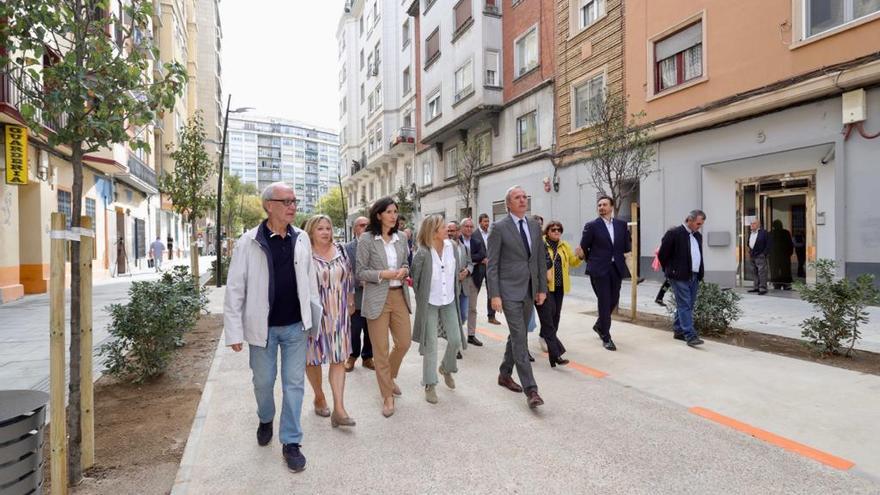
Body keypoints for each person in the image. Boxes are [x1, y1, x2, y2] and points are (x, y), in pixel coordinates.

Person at [223, 182, 320, 473]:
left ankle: (291, 441)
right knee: (263, 383)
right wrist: (234, 331)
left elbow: (310, 282)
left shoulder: (301, 238)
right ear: (268, 205)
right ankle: (266, 417)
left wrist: (313, 321)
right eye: (286, 200)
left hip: (295, 328)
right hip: (261, 330)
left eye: (294, 200)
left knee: (294, 385)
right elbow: (235, 289)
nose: (293, 205)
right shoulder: (248, 241)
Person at [487, 185, 547, 409]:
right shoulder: (499, 228)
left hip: (530, 290)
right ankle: (532, 390)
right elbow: (492, 264)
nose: (523, 200)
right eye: (517, 197)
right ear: (508, 204)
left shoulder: (533, 225)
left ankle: (504, 374)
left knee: (516, 334)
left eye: (524, 196)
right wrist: (495, 295)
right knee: (520, 338)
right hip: (508, 290)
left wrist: (541, 288)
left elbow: (539, 258)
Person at [356, 197, 413, 418]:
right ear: (378, 215)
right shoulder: (367, 239)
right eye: (389, 212)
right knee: (380, 350)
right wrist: (383, 274)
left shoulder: (401, 238)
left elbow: (406, 263)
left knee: (404, 343)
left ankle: (388, 379)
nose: (394, 215)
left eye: (395, 212)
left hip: (399, 295)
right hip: (377, 297)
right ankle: (387, 397)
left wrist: (404, 271)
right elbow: (360, 271)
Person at [303, 215, 356, 428]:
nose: (325, 232)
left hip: (340, 313)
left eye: (328, 228)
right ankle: (319, 396)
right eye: (320, 229)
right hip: (315, 314)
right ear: (311, 232)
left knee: (338, 358)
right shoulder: (304, 254)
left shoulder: (341, 250)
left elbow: (349, 276)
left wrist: (351, 300)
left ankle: (339, 409)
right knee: (313, 359)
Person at [411, 215, 468, 404]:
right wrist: (422, 303)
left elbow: (455, 273)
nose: (448, 230)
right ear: (434, 232)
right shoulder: (422, 253)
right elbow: (416, 281)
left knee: (455, 339)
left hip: (449, 300)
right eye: (443, 227)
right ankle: (430, 384)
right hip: (430, 303)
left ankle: (446, 368)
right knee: (431, 345)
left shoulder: (453, 247)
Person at [579, 196, 631, 351]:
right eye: (599, 205)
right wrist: (594, 262)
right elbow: (584, 247)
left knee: (614, 299)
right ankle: (606, 336)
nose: (601, 207)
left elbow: (626, 246)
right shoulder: (592, 226)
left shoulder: (621, 225)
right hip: (599, 270)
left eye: (604, 204)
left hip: (616, 268)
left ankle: (599, 324)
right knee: (604, 300)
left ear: (612, 207)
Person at [657, 209, 707, 347]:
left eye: (701, 224)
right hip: (679, 276)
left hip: (694, 275)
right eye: (697, 223)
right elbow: (662, 254)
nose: (699, 226)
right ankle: (690, 335)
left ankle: (679, 330)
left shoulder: (697, 236)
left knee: (688, 305)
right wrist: (670, 270)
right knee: (685, 304)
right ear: (689, 220)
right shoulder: (674, 233)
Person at [539, 220, 582, 367]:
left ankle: (553, 354)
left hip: (559, 287)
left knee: (556, 317)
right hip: (546, 287)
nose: (556, 232)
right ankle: (555, 352)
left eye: (559, 230)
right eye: (553, 229)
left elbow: (573, 262)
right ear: (547, 232)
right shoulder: (542, 244)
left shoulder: (564, 246)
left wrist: (580, 257)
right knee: (549, 318)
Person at [344, 217, 373, 372]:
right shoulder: (347, 248)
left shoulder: (376, 245)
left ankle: (367, 357)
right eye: (362, 225)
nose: (366, 228)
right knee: (354, 330)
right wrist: (359, 281)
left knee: (371, 331)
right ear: (355, 228)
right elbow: (344, 272)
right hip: (355, 297)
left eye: (368, 225)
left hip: (374, 297)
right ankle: (352, 356)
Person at [459, 218, 486, 347]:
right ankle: (457, 335)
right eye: (466, 226)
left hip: (474, 278)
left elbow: (482, 255)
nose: (469, 229)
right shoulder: (456, 241)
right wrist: (475, 260)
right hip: (460, 279)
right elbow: (477, 258)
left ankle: (471, 335)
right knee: (460, 310)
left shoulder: (477, 241)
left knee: (472, 308)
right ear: (461, 227)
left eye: (471, 226)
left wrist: (470, 259)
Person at [479, 213, 500, 325]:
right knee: (473, 293)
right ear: (480, 222)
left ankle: (491, 316)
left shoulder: (492, 233)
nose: (487, 223)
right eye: (484, 221)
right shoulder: (475, 235)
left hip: (491, 267)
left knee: (491, 291)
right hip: (479, 268)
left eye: (488, 221)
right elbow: (472, 252)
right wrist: (482, 259)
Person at [769, 219, 794, 290]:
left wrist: (769, 255)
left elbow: (768, 246)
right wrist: (789, 253)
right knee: (785, 270)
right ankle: (786, 284)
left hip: (774, 256)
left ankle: (776, 284)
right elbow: (790, 245)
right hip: (784, 256)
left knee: (775, 270)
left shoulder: (771, 233)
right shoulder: (786, 233)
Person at [748, 219, 770, 295]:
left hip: (760, 255)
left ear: (758, 225)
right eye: (751, 224)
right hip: (752, 255)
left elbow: (768, 244)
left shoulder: (764, 233)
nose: (751, 225)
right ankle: (756, 287)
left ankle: (763, 288)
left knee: (762, 272)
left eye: (753, 224)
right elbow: (749, 243)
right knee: (754, 272)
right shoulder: (750, 233)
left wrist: (764, 254)